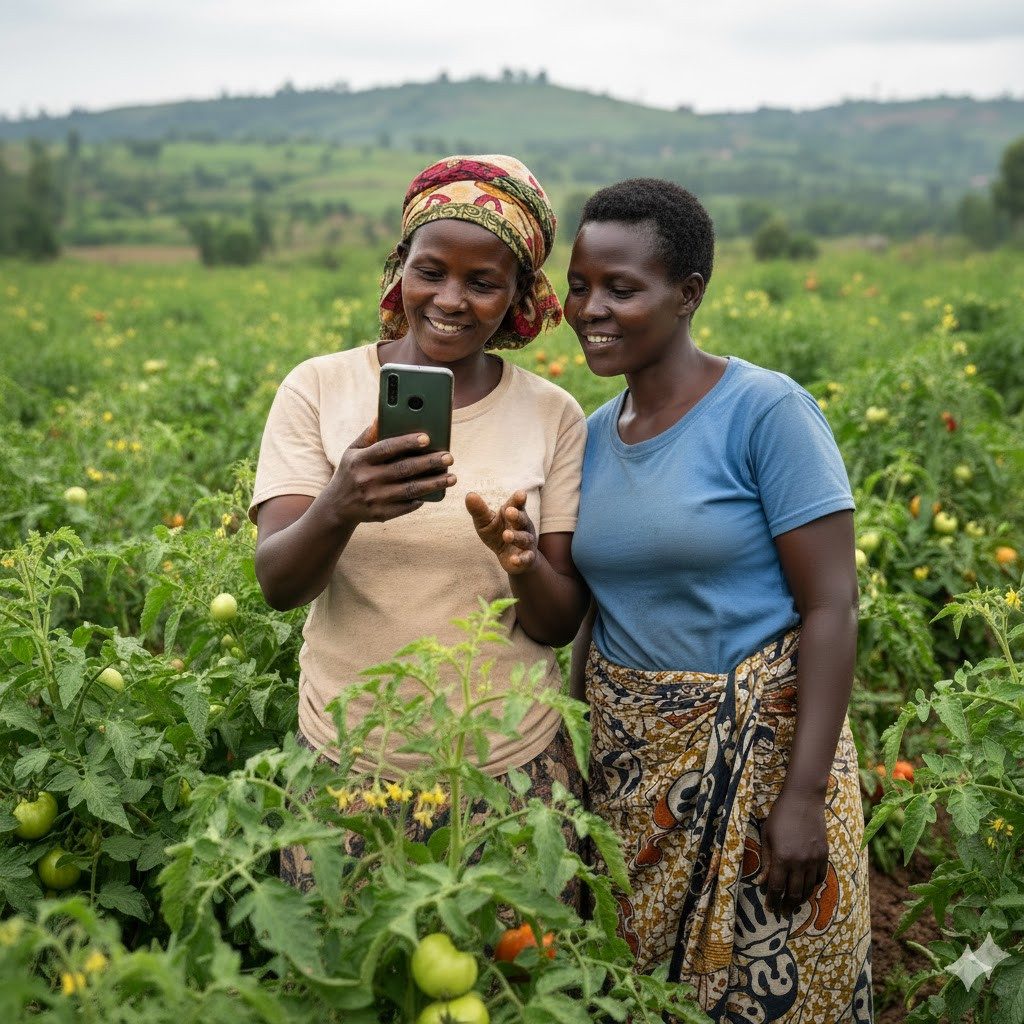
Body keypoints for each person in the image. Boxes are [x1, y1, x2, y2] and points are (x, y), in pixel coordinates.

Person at [565, 180, 872, 1022]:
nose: (592, 307)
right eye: (581, 284)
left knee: (779, 992)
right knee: (631, 994)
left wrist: (802, 796)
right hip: (634, 784)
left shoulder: (765, 412)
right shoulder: (589, 436)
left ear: (688, 294)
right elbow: (599, 606)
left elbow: (832, 607)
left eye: (623, 289)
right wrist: (571, 759)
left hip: (769, 776)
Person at [248, 155, 589, 882]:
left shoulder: (552, 415)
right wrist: (339, 506)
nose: (450, 299)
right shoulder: (318, 388)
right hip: (347, 763)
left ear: (518, 297)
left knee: (506, 984)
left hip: (509, 767)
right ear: (399, 266)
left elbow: (558, 624)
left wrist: (519, 561)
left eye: (483, 281)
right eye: (431, 270)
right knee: (343, 987)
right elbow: (278, 583)